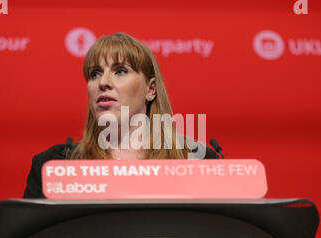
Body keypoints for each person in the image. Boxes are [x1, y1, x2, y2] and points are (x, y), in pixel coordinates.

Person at [24, 32, 218, 198]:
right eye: (94, 74)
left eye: (120, 71)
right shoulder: (54, 167)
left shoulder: (199, 162)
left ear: (150, 90)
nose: (103, 82)